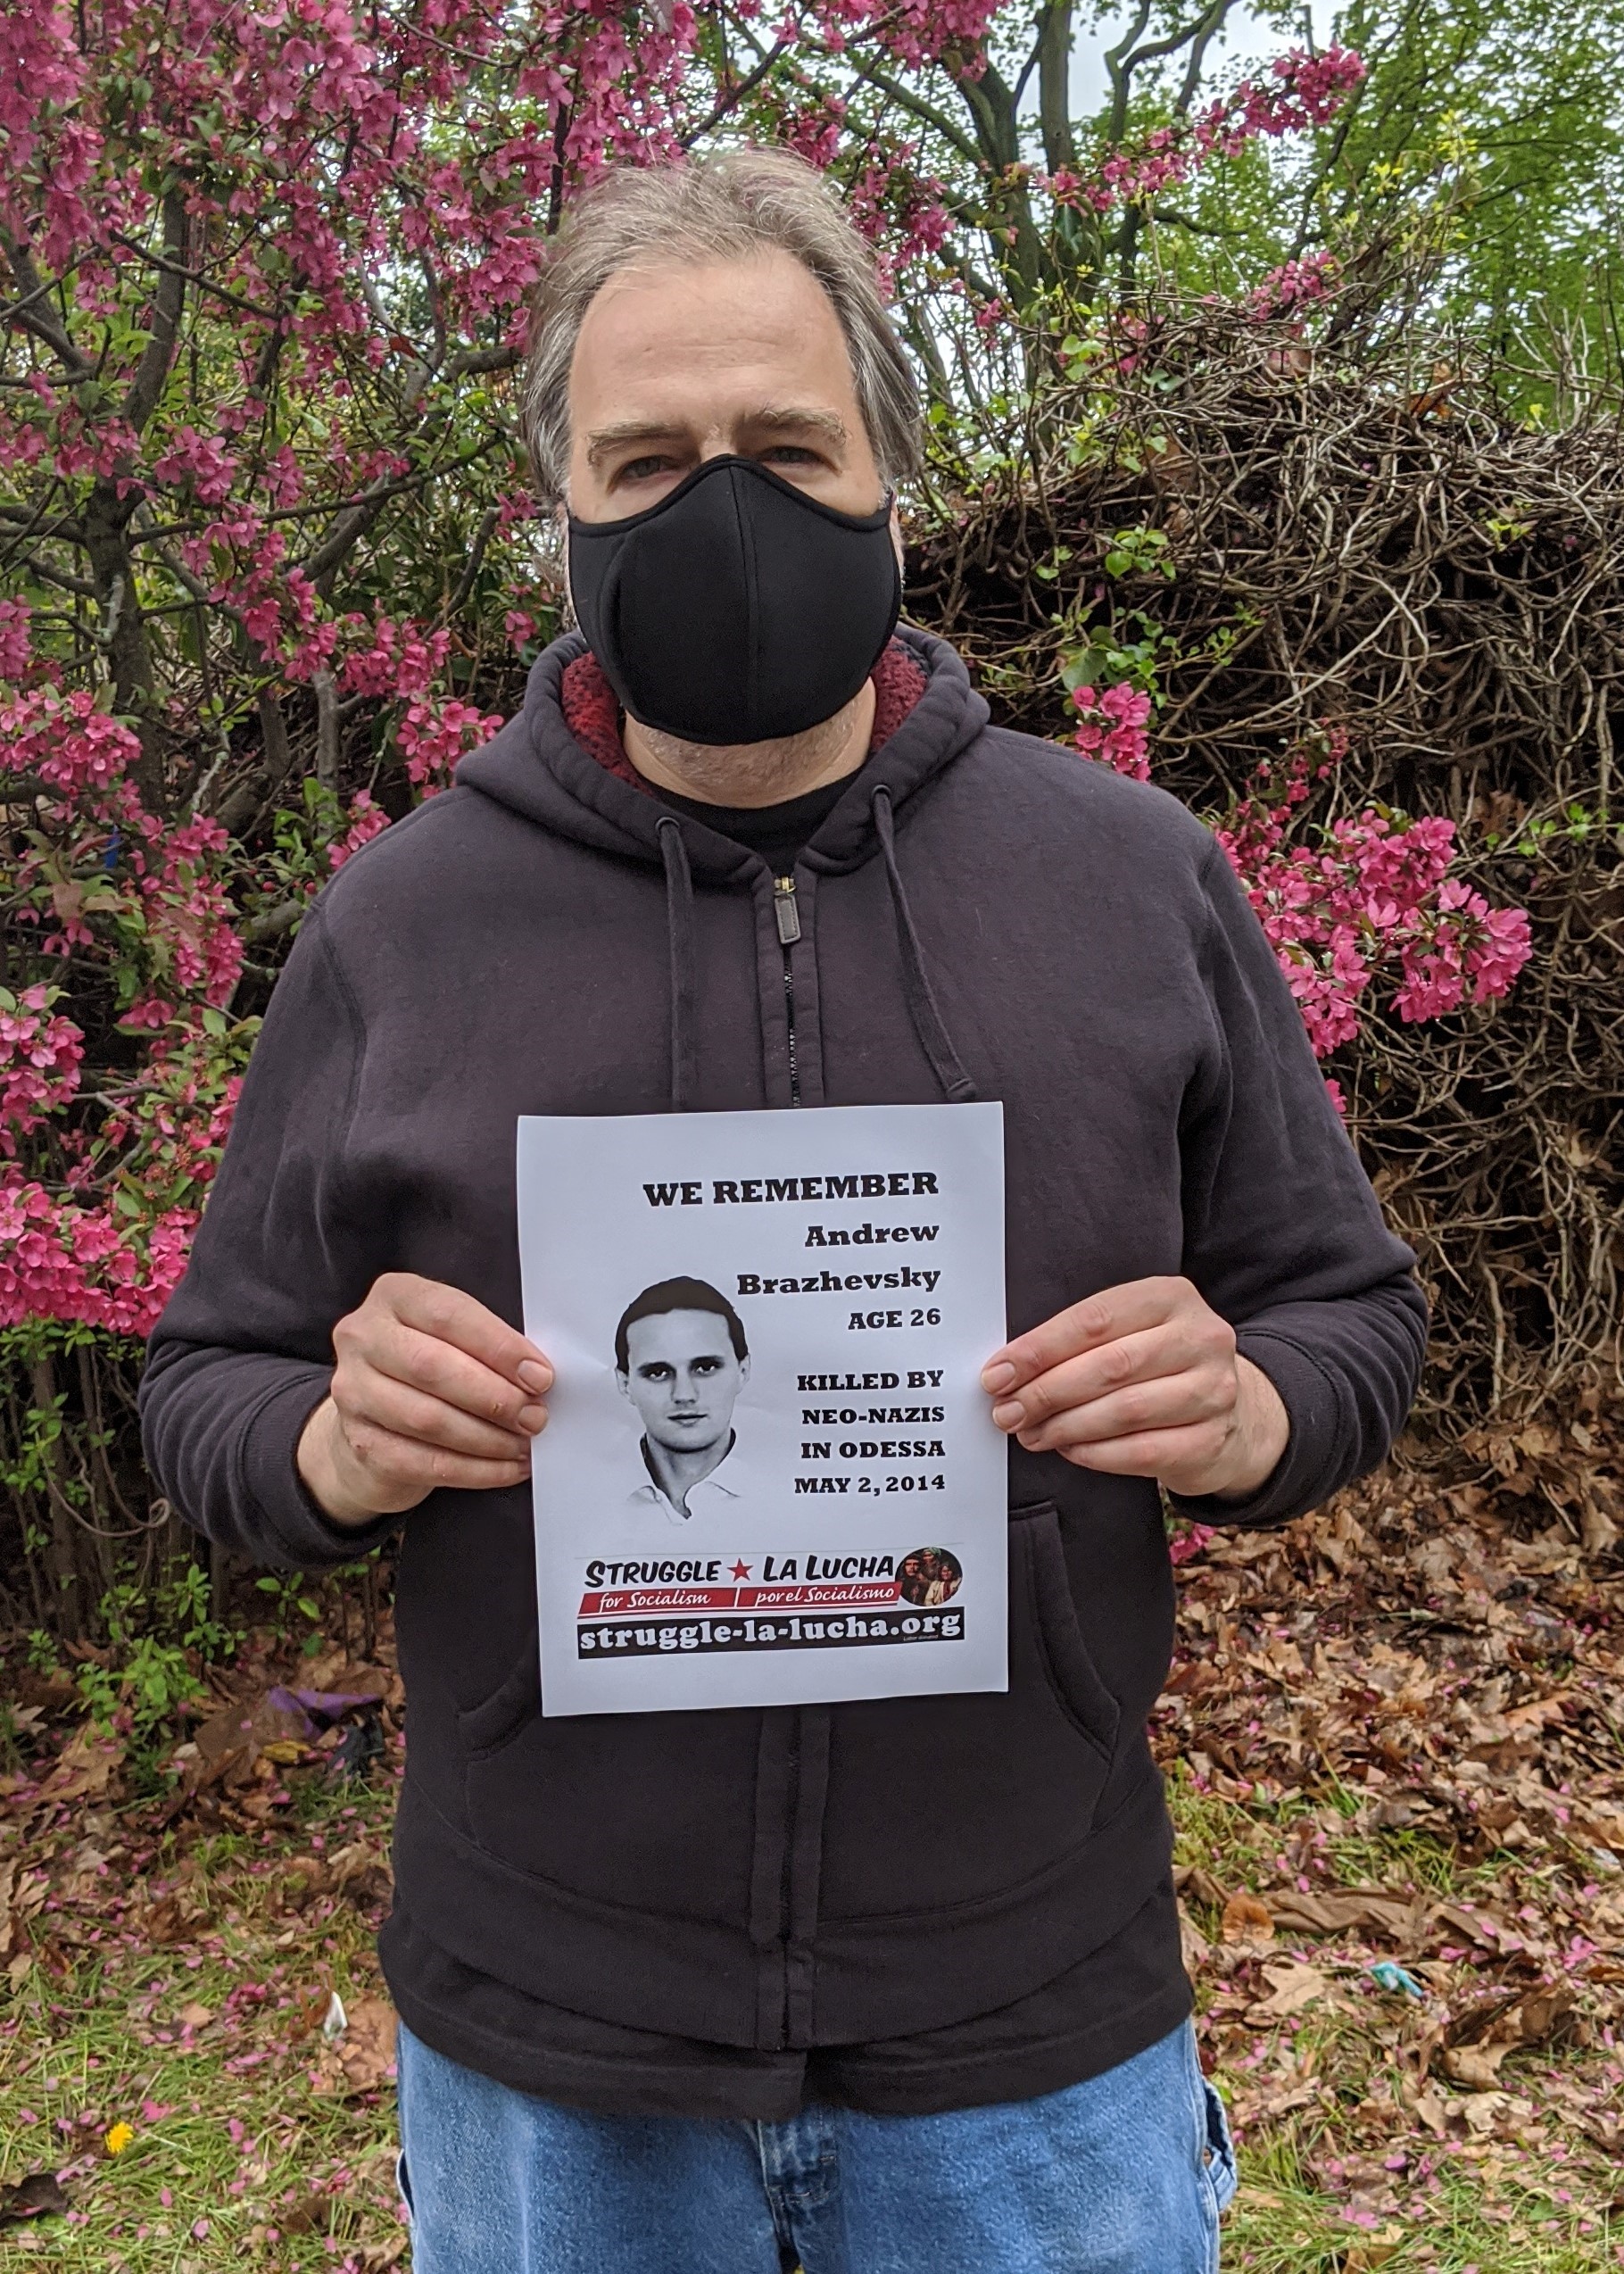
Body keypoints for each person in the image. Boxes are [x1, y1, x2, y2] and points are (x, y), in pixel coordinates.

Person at [139, 147, 1428, 2274]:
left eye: (785, 447)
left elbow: (1347, 1312)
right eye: (645, 462)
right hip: (557, 2043)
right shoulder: (402, 925)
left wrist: (1250, 1411)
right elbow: (210, 1380)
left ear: (887, 480)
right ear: (561, 507)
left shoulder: (1127, 878)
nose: (717, 511)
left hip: (1029, 2017)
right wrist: (329, 1443)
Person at [614, 1276, 750, 1521]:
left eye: (705, 1368)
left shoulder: (789, 1495)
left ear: (743, 1371)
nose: (684, 1395)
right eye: (658, 1373)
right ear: (625, 1384)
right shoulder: (583, 1501)